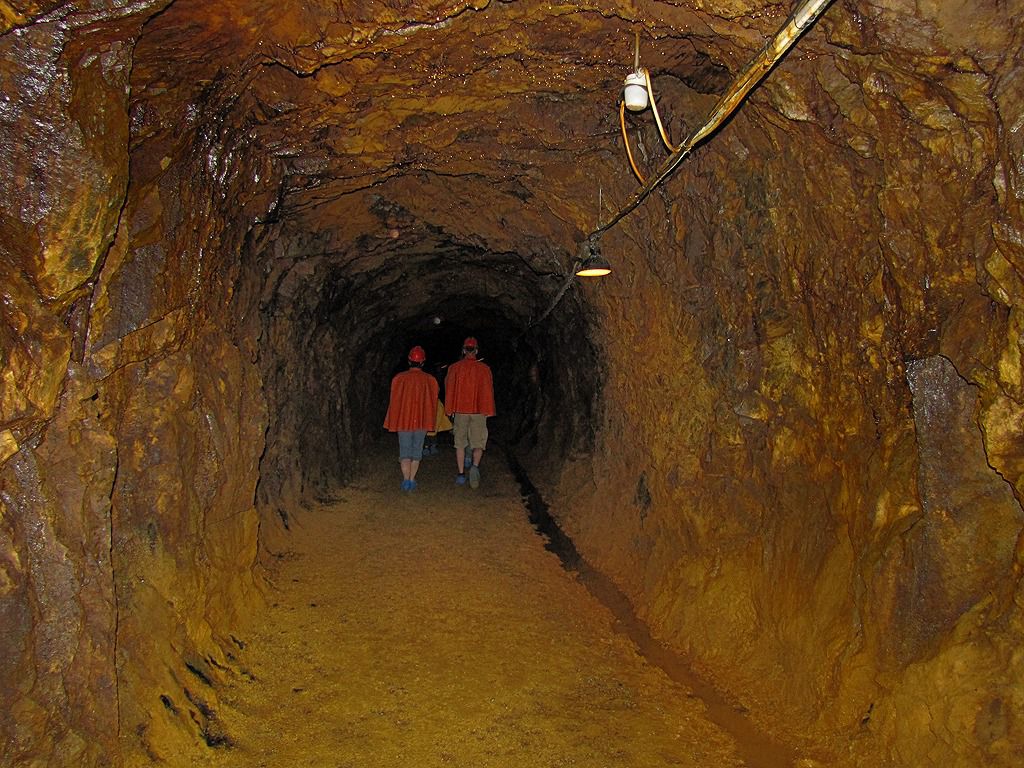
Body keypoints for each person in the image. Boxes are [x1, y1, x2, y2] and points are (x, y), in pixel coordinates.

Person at [383, 346, 439, 492]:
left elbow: (394, 402)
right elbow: (432, 403)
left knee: (405, 451)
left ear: (409, 361)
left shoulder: (399, 379)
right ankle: (412, 479)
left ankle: (405, 480)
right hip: (421, 421)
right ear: (422, 362)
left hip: (403, 421)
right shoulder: (430, 380)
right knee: (416, 451)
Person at [444, 336, 495, 489]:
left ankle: (461, 474)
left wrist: (450, 409)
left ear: (464, 350)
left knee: (460, 443)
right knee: (478, 442)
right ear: (477, 351)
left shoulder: (454, 368)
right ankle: (474, 466)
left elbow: (449, 388)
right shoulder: (485, 369)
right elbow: (488, 391)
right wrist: (488, 410)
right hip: (479, 411)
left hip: (460, 411)